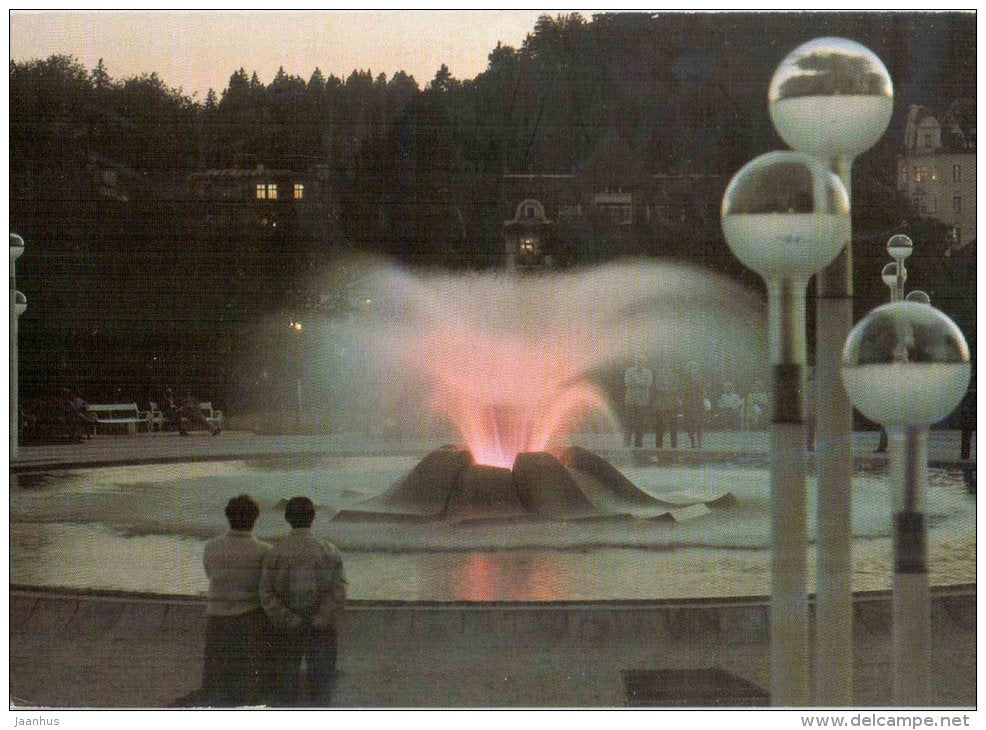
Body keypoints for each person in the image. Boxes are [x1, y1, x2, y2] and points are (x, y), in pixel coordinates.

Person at [261, 497, 347, 706]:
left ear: (287, 518)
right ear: (313, 517)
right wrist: (320, 617)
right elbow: (339, 590)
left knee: (285, 689)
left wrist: (289, 619)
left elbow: (266, 593)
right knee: (321, 689)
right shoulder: (329, 550)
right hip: (321, 628)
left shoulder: (275, 552)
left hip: (286, 628)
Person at [201, 495, 273, 706]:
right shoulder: (264, 550)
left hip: (216, 616)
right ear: (254, 519)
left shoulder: (211, 546)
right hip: (249, 618)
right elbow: (265, 587)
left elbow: (209, 574)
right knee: (247, 679)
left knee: (216, 678)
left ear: (228, 517)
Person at [624, 355, 653, 449]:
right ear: (636, 362)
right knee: (629, 422)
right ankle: (627, 443)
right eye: (639, 361)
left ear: (645, 362)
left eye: (642, 361)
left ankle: (639, 444)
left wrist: (635, 381)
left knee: (640, 423)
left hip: (642, 402)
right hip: (630, 401)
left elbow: (648, 384)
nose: (640, 363)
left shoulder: (648, 372)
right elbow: (627, 383)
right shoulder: (629, 371)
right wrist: (641, 382)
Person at [651, 364, 678, 449]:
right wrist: (667, 390)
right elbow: (657, 388)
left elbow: (675, 388)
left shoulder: (674, 376)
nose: (666, 368)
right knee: (659, 427)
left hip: (671, 405)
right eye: (664, 366)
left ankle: (674, 446)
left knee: (673, 427)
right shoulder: (658, 377)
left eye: (667, 366)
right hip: (660, 405)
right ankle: (658, 446)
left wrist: (664, 390)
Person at [681, 362, 706, 449]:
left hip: (697, 404)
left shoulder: (700, 379)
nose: (692, 370)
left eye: (693, 368)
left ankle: (699, 444)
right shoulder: (684, 380)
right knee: (689, 425)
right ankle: (693, 443)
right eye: (690, 369)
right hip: (688, 404)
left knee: (699, 424)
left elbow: (703, 392)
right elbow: (683, 392)